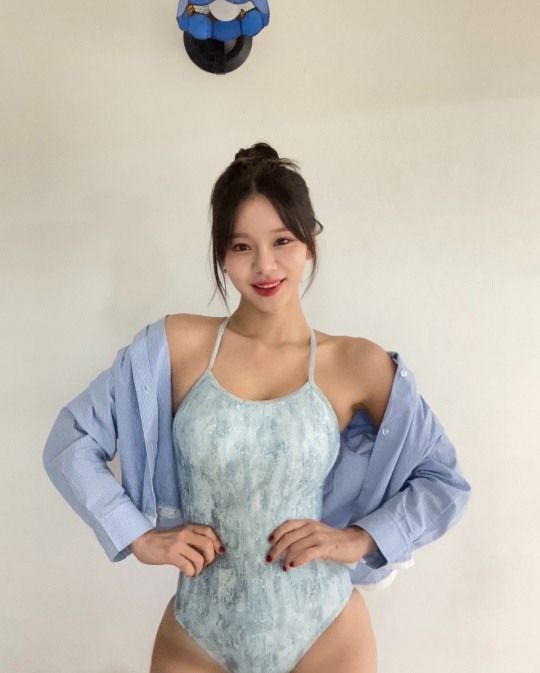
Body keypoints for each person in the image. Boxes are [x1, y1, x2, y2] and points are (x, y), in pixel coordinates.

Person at [42, 142, 472, 673]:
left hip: (326, 632)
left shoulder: (356, 364)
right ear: (222, 254)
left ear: (310, 241)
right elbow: (69, 442)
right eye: (241, 246)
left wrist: (358, 539)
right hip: (197, 635)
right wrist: (137, 536)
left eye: (282, 240)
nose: (264, 265)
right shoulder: (173, 348)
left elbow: (443, 482)